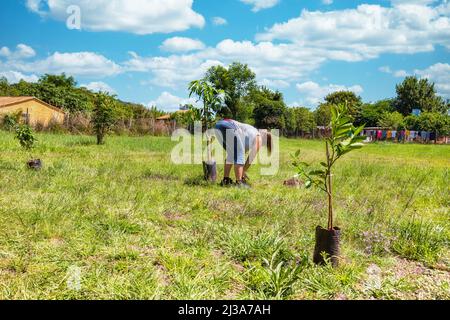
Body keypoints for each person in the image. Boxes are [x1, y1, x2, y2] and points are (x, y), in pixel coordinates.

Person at [214, 119, 272, 188]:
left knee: (232, 154)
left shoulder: (250, 133)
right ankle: (239, 183)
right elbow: (251, 157)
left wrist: (242, 170)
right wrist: (243, 171)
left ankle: (225, 180)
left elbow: (237, 154)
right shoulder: (259, 137)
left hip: (218, 126)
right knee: (239, 154)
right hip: (228, 125)